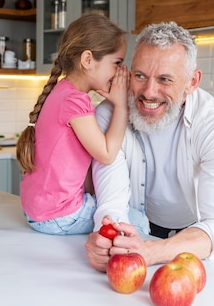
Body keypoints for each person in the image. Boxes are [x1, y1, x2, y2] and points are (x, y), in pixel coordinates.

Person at [84, 21, 214, 272]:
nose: (149, 92)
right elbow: (111, 203)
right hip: (135, 231)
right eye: (140, 76)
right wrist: (106, 239)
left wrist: (151, 251)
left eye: (165, 79)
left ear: (192, 82)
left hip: (195, 244)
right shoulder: (108, 115)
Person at [16, 14, 130, 235]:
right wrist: (121, 105)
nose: (119, 72)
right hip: (58, 216)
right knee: (137, 221)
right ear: (88, 60)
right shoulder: (75, 101)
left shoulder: (62, 92)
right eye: (117, 63)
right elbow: (106, 154)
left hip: (37, 212)